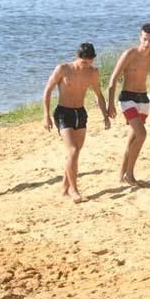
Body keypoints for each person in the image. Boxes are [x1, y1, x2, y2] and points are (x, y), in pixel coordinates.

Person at [107, 23, 150, 186]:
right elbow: (113, 78)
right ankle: (129, 175)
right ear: (140, 37)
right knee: (142, 134)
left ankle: (121, 176)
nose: (147, 43)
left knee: (133, 139)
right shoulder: (129, 54)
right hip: (127, 99)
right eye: (145, 39)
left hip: (143, 100)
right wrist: (110, 104)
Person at [43, 43, 111, 202]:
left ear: (93, 60)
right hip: (63, 113)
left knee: (74, 154)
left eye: (88, 62)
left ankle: (64, 189)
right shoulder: (63, 69)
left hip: (80, 113)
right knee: (72, 151)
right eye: (82, 61)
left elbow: (98, 95)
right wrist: (45, 115)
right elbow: (47, 91)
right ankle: (74, 190)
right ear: (77, 57)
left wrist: (105, 115)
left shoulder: (93, 73)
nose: (84, 65)